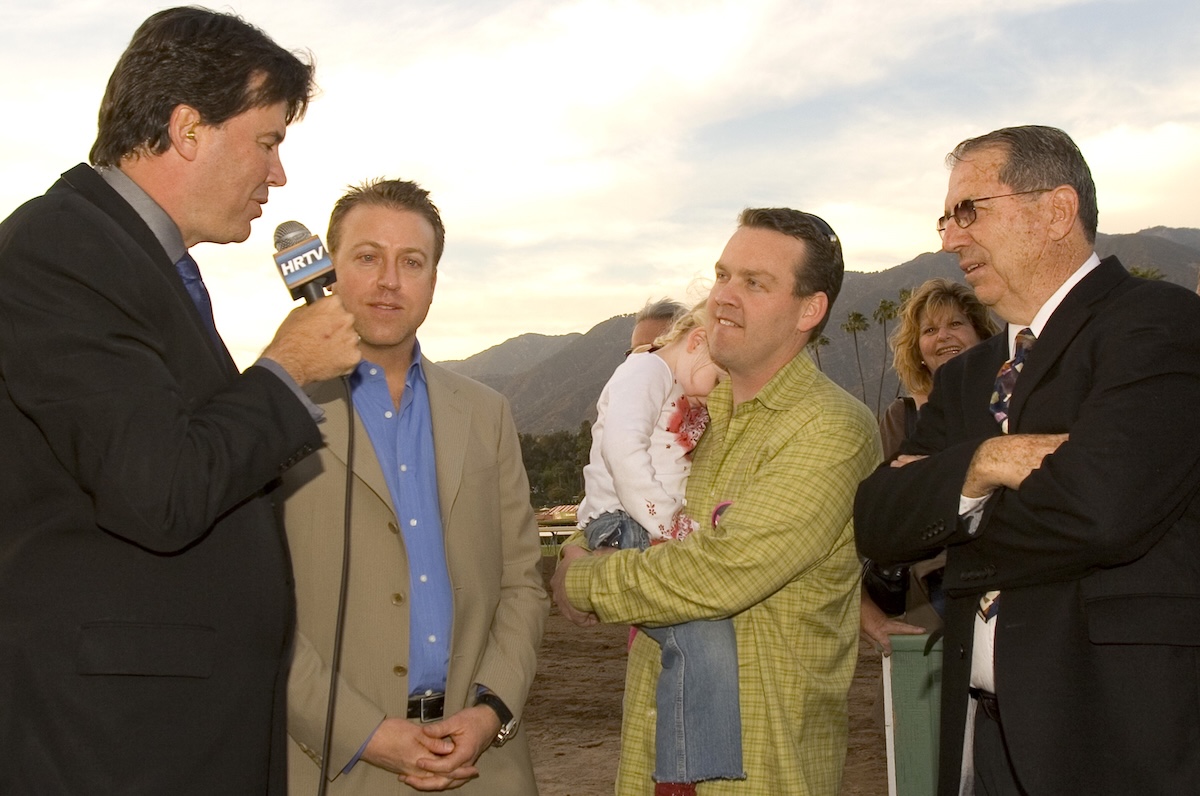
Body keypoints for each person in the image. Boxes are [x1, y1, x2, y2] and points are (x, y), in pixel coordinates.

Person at [0, 8, 361, 793]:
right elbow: (158, 488)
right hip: (117, 746)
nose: (278, 175)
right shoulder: (61, 249)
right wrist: (285, 369)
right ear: (189, 128)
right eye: (267, 142)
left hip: (172, 734)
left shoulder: (133, 260)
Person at [855, 125, 1200, 795]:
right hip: (984, 740)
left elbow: (1101, 512)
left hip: (1115, 740)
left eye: (970, 211)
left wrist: (953, 514)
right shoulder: (963, 378)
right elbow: (878, 525)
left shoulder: (1157, 324)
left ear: (1055, 211)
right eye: (946, 217)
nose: (950, 238)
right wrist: (984, 462)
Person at [553, 208, 881, 795]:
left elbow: (720, 573)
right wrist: (583, 543)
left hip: (763, 768)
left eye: (754, 283)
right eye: (723, 275)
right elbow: (629, 497)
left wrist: (582, 581)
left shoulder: (831, 429)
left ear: (810, 310)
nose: (724, 297)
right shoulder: (692, 405)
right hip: (652, 752)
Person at [282, 178, 547, 794]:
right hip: (336, 766)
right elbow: (254, 610)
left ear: (432, 279)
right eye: (368, 257)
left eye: (411, 262)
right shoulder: (271, 410)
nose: (388, 281)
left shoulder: (488, 413)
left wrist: (491, 713)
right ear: (330, 268)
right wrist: (364, 733)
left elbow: (521, 584)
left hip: (482, 766)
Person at [577, 302, 737, 791]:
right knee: (699, 634)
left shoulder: (678, 390)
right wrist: (665, 524)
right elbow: (622, 452)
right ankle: (688, 768)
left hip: (645, 520)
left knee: (702, 635)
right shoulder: (643, 370)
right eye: (717, 374)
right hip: (622, 521)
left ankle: (691, 765)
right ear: (696, 342)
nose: (717, 386)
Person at [861, 279, 997, 652]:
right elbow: (885, 507)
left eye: (956, 324)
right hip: (926, 599)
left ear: (981, 334)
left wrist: (930, 474)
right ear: (918, 349)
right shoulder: (902, 418)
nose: (943, 337)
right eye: (930, 330)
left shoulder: (1007, 403)